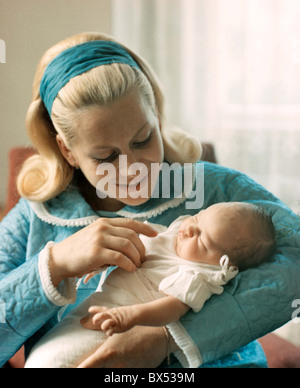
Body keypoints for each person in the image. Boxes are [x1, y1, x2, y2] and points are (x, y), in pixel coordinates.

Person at [0, 31, 299, 369]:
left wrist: (168, 337)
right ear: (67, 151)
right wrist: (54, 266)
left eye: (143, 140)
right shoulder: (33, 219)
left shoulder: (213, 189)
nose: (132, 170)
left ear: (156, 116)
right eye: (106, 156)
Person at [24, 202, 276, 368]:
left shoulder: (198, 274)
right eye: (198, 218)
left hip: (122, 326)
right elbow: (133, 246)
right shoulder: (172, 234)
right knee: (45, 354)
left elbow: (172, 309)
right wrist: (99, 263)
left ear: (224, 265)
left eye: (203, 238)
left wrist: (129, 316)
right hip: (97, 306)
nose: (189, 229)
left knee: (70, 360)